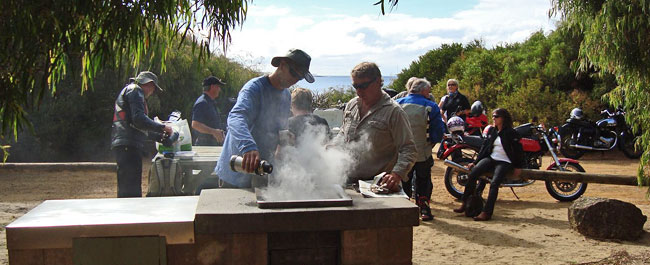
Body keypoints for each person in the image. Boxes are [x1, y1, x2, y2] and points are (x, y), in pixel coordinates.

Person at [204, 49, 315, 189]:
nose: (294, 80)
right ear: (281, 65)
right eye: (293, 73)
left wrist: (285, 138)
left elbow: (279, 128)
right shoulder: (254, 88)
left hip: (261, 171)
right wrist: (248, 146)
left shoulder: (286, 95)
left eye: (299, 78)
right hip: (236, 171)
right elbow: (236, 117)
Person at [337, 62, 417, 192]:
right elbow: (342, 134)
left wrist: (396, 174)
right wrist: (329, 150)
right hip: (347, 181)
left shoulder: (394, 112)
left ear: (378, 82)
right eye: (355, 86)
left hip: (376, 186)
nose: (358, 91)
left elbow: (408, 148)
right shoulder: (351, 105)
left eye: (363, 86)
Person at [453, 108, 524, 221]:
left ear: (503, 118)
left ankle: (487, 212)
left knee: (495, 183)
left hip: (505, 161)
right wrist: (475, 162)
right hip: (492, 158)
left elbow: (518, 151)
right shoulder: (492, 131)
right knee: (473, 174)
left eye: (496, 116)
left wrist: (518, 167)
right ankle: (465, 203)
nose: (493, 119)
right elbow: (484, 149)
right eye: (493, 116)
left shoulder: (511, 133)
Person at [111, 71, 173, 198]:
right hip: (128, 146)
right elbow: (139, 119)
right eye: (153, 88)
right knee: (130, 190)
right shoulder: (135, 90)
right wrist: (162, 127)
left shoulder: (130, 91)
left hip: (126, 144)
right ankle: (130, 216)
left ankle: (128, 214)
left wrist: (158, 137)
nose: (152, 92)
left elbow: (138, 126)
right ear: (149, 84)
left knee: (128, 187)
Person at [395, 77, 445, 221]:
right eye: (428, 91)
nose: (429, 93)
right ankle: (424, 208)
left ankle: (404, 209)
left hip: (401, 152)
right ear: (423, 91)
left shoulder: (397, 104)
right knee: (423, 180)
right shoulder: (431, 106)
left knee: (404, 179)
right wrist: (431, 144)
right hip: (423, 151)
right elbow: (438, 131)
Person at [191, 76, 227, 146]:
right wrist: (213, 132)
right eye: (218, 87)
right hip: (204, 146)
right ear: (213, 87)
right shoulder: (202, 103)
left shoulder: (210, 102)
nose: (219, 90)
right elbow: (195, 124)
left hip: (212, 144)